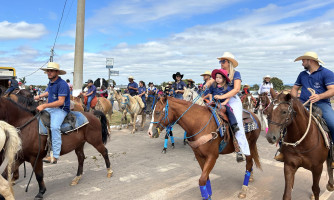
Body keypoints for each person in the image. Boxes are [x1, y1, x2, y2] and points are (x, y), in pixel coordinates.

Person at [275, 52, 334, 164]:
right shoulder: (302, 74)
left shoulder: (327, 73)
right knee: (287, 120)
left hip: (322, 104)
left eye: (303, 60)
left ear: (310, 60)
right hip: (303, 104)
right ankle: (282, 150)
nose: (302, 63)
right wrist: (294, 99)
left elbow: (332, 89)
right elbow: (295, 89)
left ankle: (333, 155)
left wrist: (319, 96)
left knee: (333, 124)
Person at [204, 52, 250, 162]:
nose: (221, 63)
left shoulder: (236, 73)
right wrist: (206, 86)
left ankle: (242, 151)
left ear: (229, 63)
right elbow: (210, 82)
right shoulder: (219, 75)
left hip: (232, 100)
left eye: (223, 61)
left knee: (238, 122)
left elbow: (236, 89)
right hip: (217, 99)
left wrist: (222, 97)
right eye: (220, 61)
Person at [33, 62, 70, 164]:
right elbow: (49, 92)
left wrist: (44, 105)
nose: (49, 73)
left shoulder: (62, 84)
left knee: (54, 127)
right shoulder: (51, 82)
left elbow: (60, 101)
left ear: (57, 72)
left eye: (51, 71)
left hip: (61, 109)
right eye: (48, 71)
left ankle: (55, 155)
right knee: (35, 116)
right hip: (52, 107)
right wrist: (39, 96)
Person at [208, 69, 239, 133]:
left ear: (224, 79)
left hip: (223, 102)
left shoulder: (227, 87)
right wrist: (210, 100)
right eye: (216, 77)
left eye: (220, 78)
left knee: (229, 110)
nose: (218, 79)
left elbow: (229, 95)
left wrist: (225, 102)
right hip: (214, 101)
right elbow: (210, 93)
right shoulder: (213, 85)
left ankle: (234, 124)